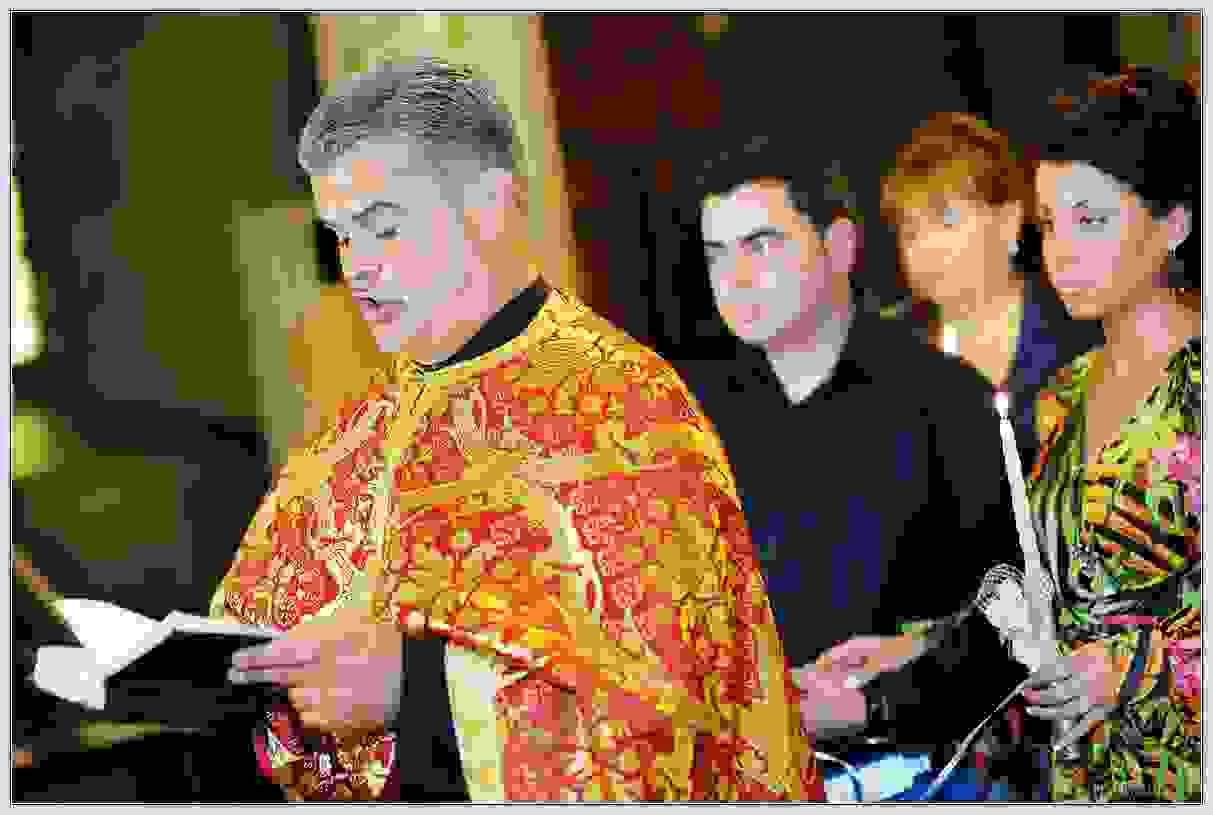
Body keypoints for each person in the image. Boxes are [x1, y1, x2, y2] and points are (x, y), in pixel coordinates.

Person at [209, 59, 820, 802]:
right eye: (340, 237)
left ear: (492, 207)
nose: (358, 268)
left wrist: (415, 692)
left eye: (384, 228)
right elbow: (245, 647)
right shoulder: (351, 436)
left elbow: (668, 716)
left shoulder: (621, 410)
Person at [681, 132, 1027, 799]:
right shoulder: (693, 418)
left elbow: (1016, 614)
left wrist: (876, 703)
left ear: (838, 246)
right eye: (717, 254)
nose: (734, 279)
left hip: (922, 776)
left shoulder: (944, 401)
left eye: (761, 245)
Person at [1022, 66, 1201, 802]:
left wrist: (1138, 665)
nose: (1060, 250)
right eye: (1047, 223)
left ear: (1172, 224)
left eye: (1090, 219)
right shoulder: (1061, 395)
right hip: (1083, 774)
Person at [881, 112, 1104, 469]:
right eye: (910, 231)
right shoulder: (890, 352)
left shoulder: (1081, 329)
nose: (924, 245)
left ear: (1008, 221)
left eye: (946, 219)